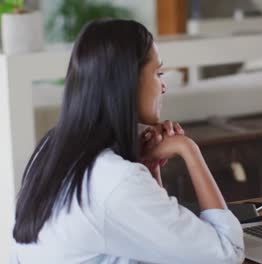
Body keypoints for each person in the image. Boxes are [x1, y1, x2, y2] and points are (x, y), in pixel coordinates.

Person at [11, 19, 244, 264]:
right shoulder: (116, 179)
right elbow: (227, 253)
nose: (163, 86)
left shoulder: (51, 148)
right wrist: (189, 150)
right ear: (127, 82)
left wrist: (151, 169)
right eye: (158, 73)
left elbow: (161, 246)